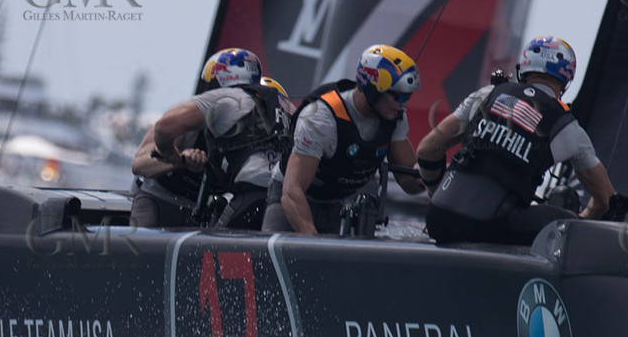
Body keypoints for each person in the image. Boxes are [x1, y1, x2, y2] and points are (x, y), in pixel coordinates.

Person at [416, 35, 623, 245]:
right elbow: (606, 200)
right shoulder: (568, 127)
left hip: (438, 219)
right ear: (566, 81)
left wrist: (438, 198)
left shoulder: (486, 94)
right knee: (565, 219)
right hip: (489, 227)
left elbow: (427, 150)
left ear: (523, 69)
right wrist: (581, 225)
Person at [262, 44, 425, 236]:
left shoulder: (394, 118)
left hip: (336, 203)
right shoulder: (320, 117)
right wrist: (311, 242)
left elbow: (408, 181)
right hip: (293, 199)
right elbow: (292, 192)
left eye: (408, 96)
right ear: (373, 89)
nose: (403, 104)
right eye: (399, 96)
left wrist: (430, 175)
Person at [132, 49, 291, 230]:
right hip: (159, 199)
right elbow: (138, 164)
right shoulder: (190, 117)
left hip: (200, 209)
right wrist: (179, 159)